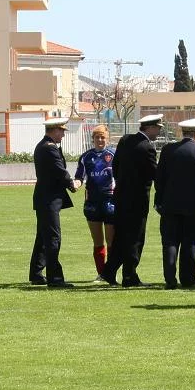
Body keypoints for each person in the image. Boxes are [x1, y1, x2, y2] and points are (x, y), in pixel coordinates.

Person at [153, 118, 195, 288]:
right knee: (190, 242)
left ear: (182, 132)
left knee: (170, 242)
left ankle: (170, 279)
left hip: (169, 203)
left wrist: (159, 200)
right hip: (193, 204)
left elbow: (159, 179)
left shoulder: (168, 150)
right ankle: (187, 278)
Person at [102, 114, 162, 286]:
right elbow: (154, 173)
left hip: (121, 197)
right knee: (135, 237)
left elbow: (116, 166)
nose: (158, 132)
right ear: (149, 128)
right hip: (137, 199)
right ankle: (129, 274)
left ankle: (110, 270)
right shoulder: (147, 147)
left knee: (121, 236)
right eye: (157, 128)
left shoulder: (125, 140)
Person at [30, 117, 79, 288]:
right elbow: (60, 170)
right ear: (54, 130)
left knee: (43, 237)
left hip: (45, 198)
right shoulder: (49, 149)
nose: (63, 135)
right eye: (62, 131)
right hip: (49, 199)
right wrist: (72, 184)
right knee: (53, 238)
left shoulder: (43, 146)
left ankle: (36, 273)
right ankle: (55, 277)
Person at [75, 125, 116, 280]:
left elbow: (120, 176)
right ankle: (101, 274)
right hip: (92, 203)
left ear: (107, 138)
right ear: (92, 139)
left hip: (110, 201)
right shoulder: (86, 157)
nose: (100, 140)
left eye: (102, 137)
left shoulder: (114, 154)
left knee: (111, 240)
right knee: (97, 241)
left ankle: (111, 273)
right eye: (97, 137)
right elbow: (79, 176)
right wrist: (76, 184)